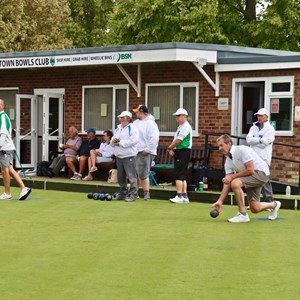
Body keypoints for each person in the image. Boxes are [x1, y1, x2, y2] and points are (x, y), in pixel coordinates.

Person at [212, 134, 281, 223]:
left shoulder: (241, 150)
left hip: (261, 173)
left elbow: (250, 170)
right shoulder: (228, 161)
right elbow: (227, 181)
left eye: (221, 145)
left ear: (229, 144)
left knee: (235, 183)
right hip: (250, 176)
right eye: (218, 146)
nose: (219, 148)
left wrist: (232, 177)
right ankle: (274, 205)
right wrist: (220, 201)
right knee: (255, 208)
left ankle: (242, 214)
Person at [0, 99, 31, 200]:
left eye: (0, 104)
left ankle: (7, 193)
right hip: (6, 147)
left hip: (4, 148)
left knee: (5, 171)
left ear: (3, 106)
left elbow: (3, 133)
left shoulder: (3, 117)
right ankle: (23, 188)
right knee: (10, 169)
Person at [246, 108, 275, 202]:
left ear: (266, 117)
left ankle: (269, 201)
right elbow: (248, 140)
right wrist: (260, 140)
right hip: (253, 157)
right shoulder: (253, 127)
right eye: (258, 115)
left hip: (264, 157)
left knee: (265, 179)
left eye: (261, 116)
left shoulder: (270, 129)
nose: (259, 117)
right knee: (254, 178)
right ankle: (255, 201)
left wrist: (255, 141)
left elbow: (264, 145)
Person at [111, 111, 139, 202]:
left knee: (131, 176)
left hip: (129, 155)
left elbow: (134, 141)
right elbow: (112, 141)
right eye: (121, 118)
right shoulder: (118, 128)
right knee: (121, 177)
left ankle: (133, 194)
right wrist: (114, 142)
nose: (121, 119)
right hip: (119, 155)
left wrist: (120, 143)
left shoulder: (133, 128)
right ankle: (122, 193)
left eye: (123, 118)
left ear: (128, 118)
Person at [132, 105, 159, 200]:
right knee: (135, 173)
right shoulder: (135, 123)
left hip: (145, 152)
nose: (135, 113)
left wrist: (147, 150)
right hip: (136, 151)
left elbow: (154, 138)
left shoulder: (151, 123)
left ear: (142, 112)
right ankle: (135, 192)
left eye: (137, 111)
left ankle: (146, 194)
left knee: (143, 173)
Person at [168, 108, 192, 204]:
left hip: (183, 151)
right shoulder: (181, 126)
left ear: (184, 116)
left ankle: (179, 195)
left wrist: (170, 148)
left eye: (178, 116)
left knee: (179, 174)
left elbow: (179, 140)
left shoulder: (185, 126)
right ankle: (184, 196)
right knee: (182, 174)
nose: (176, 118)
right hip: (181, 151)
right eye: (176, 116)